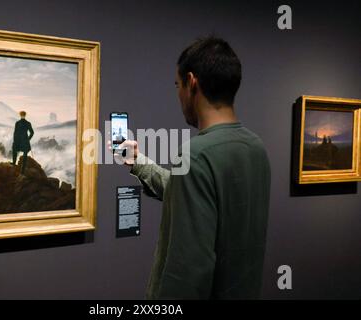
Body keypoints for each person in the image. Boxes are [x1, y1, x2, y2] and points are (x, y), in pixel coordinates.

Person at [112, 36, 271, 299]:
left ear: (192, 83)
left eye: (177, 85)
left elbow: (186, 272)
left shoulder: (195, 155)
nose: (178, 94)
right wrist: (138, 162)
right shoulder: (256, 148)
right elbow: (187, 194)